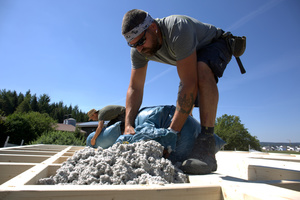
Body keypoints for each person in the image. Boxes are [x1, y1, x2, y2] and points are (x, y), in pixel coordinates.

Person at [121, 9, 245, 174]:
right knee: (189, 83)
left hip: (215, 43)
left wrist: (172, 132)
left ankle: (206, 143)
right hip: (191, 52)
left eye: (141, 42)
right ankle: (190, 133)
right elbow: (135, 87)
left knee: (202, 69)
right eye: (133, 44)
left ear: (153, 27)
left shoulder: (177, 29)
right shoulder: (138, 50)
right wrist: (128, 125)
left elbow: (188, 83)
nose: (140, 48)